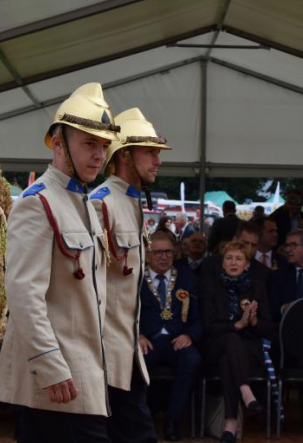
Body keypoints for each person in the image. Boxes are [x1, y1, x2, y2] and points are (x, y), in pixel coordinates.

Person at [0, 83, 118, 443]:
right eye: (89, 144)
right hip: (54, 380)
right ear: (59, 143)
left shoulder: (82, 203)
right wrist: (49, 364)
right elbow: (23, 293)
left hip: (81, 375)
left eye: (103, 146)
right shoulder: (38, 203)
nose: (99, 155)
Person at [90, 107, 171, 443]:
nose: (157, 161)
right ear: (124, 154)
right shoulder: (101, 203)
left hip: (128, 350)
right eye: (150, 152)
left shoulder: (131, 202)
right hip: (104, 352)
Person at [200, 241, 274, 443]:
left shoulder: (256, 288)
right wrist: (238, 325)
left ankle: (230, 424)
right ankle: (245, 390)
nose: (233, 262)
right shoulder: (211, 287)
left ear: (247, 265)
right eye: (229, 258)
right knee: (231, 339)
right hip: (215, 346)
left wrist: (254, 321)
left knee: (228, 360)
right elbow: (208, 326)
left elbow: (269, 328)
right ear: (222, 263)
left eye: (239, 258)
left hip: (247, 350)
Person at [139, 230, 202, 441]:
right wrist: (136, 335)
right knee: (133, 363)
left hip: (178, 339)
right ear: (147, 254)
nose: (163, 257)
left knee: (192, 360)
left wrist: (190, 336)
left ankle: (173, 421)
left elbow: (199, 316)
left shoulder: (187, 277)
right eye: (157, 253)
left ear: (174, 252)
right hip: (148, 340)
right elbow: (123, 312)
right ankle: (141, 420)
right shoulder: (135, 278)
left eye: (168, 251)